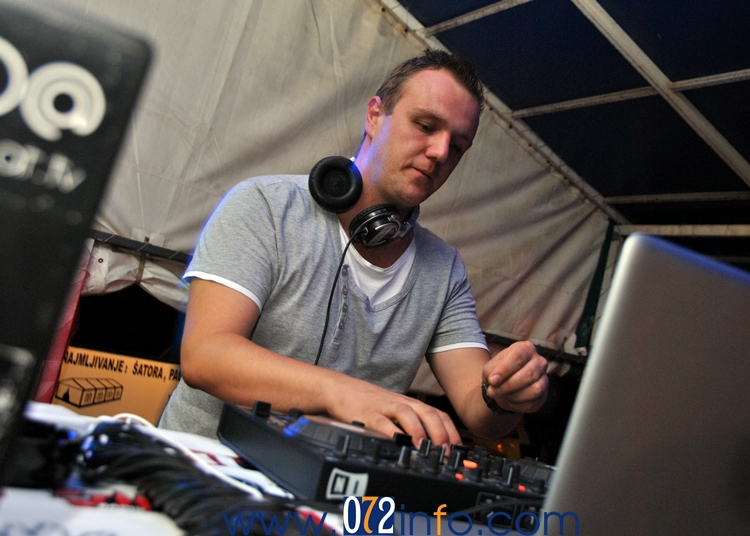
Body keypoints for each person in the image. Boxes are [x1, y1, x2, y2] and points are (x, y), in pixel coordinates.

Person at [159, 50, 549, 448]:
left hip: (322, 487)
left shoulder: (443, 269)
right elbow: (206, 355)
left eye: (458, 145)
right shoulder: (264, 207)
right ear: (375, 116)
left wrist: (505, 395)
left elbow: (478, 411)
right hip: (196, 468)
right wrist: (342, 393)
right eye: (425, 125)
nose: (440, 152)